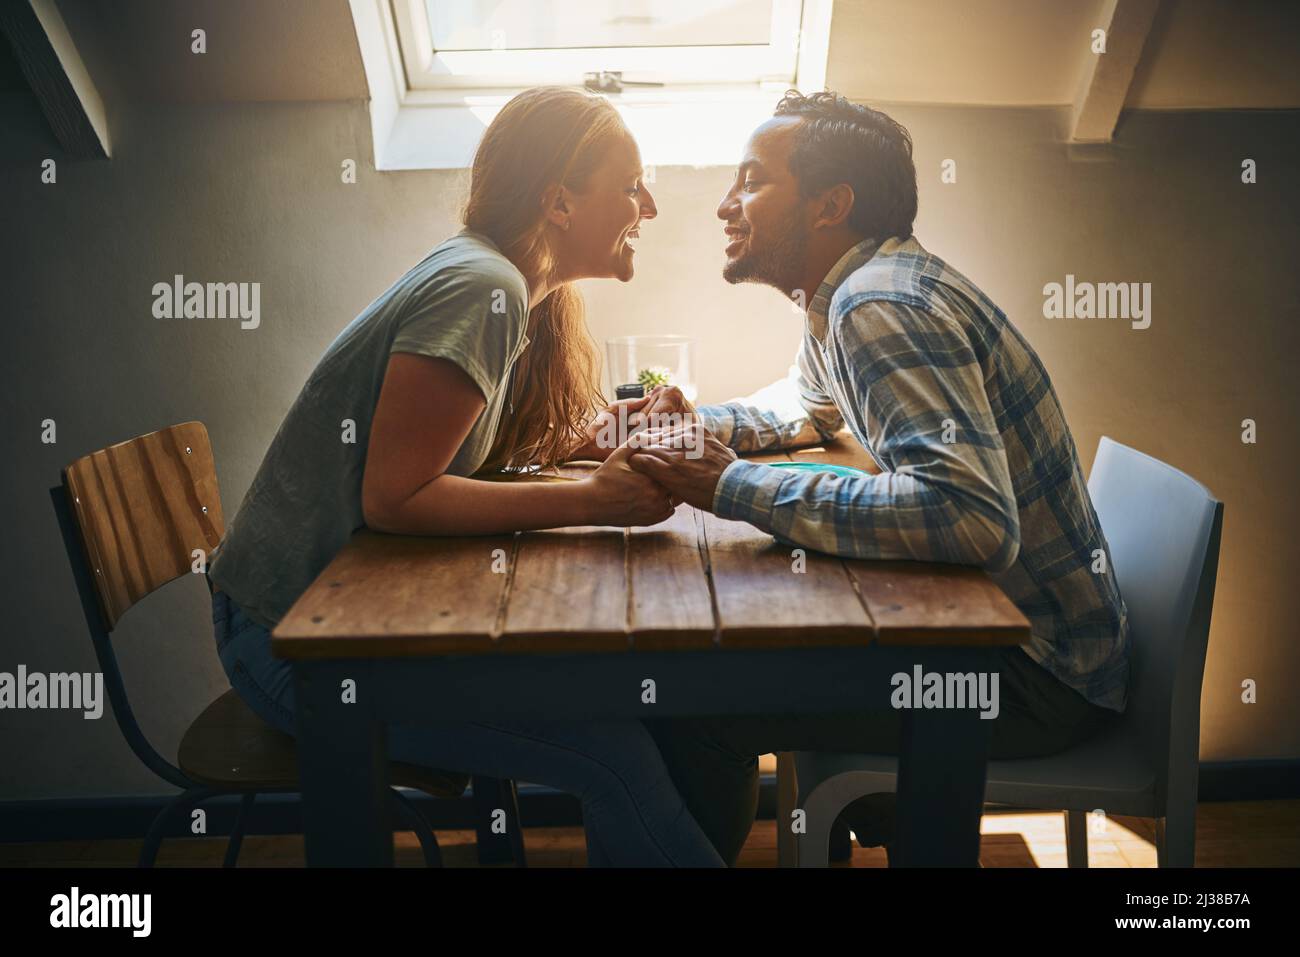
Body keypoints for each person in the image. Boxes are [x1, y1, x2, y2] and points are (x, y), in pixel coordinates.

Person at [206, 86, 723, 867]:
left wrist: (601, 438)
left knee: (624, 720)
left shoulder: (508, 284)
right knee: (615, 753)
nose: (647, 205)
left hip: (343, 626)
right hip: (291, 649)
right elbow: (397, 496)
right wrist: (594, 499)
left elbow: (460, 450)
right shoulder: (485, 287)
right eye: (629, 185)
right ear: (557, 202)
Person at [621, 90, 1130, 865]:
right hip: (1042, 652)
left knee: (695, 703)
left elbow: (970, 517)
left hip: (1033, 679)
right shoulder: (849, 296)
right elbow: (811, 405)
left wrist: (728, 486)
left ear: (832, 204)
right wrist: (699, 427)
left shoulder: (880, 304)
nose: (727, 204)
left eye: (752, 179)